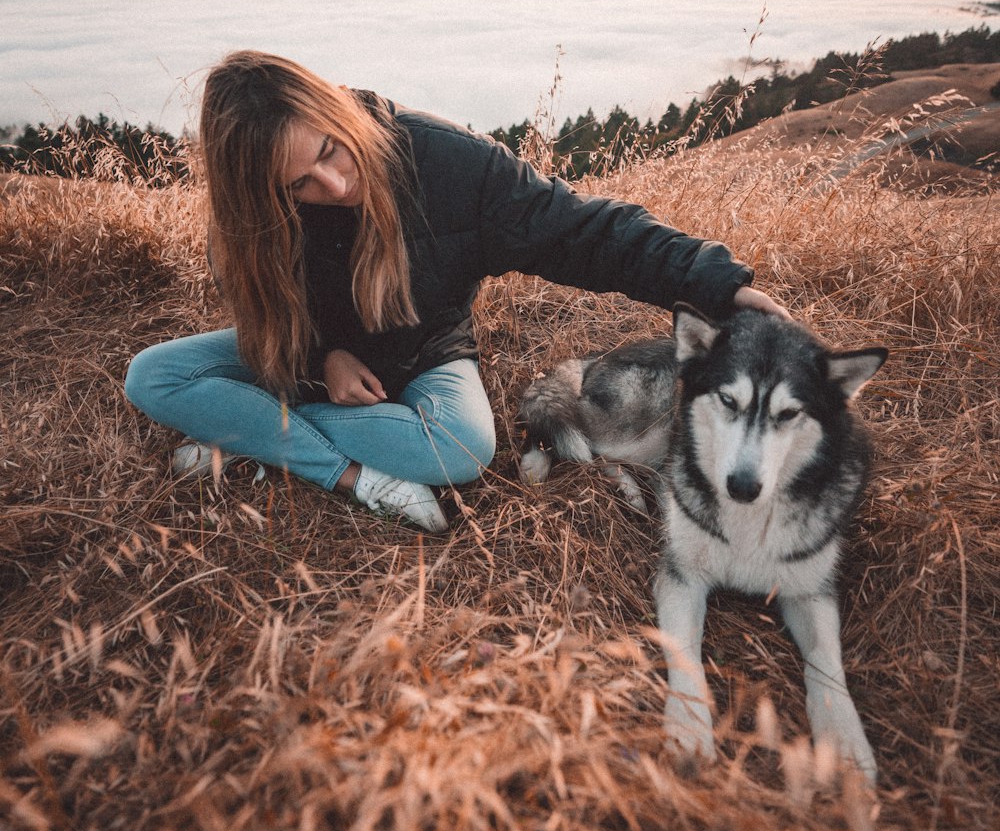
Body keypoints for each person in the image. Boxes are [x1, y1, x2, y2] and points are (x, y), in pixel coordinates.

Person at [125, 51, 786, 533]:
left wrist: (717, 286)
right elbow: (261, 311)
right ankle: (342, 470)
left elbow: (586, 233)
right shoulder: (250, 218)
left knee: (466, 449)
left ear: (337, 110)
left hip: (425, 352)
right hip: (305, 356)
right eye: (299, 184)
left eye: (331, 150)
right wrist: (319, 358)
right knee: (151, 375)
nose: (332, 185)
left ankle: (245, 429)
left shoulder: (447, 163)